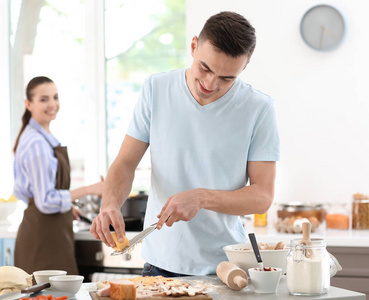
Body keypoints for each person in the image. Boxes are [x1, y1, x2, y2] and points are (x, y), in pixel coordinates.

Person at [90, 11, 280, 276]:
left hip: (224, 268)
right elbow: (125, 163)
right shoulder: (156, 89)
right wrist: (110, 204)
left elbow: (262, 197)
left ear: (244, 67)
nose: (210, 84)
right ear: (193, 46)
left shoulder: (259, 109)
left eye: (227, 78)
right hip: (160, 264)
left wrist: (201, 197)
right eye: (205, 68)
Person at [13, 76, 104, 275]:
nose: (52, 104)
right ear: (28, 104)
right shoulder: (36, 143)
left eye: (55, 97)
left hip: (50, 234)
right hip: (42, 239)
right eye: (44, 99)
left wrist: (64, 207)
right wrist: (89, 189)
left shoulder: (42, 138)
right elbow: (44, 200)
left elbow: (33, 194)